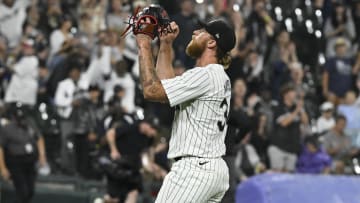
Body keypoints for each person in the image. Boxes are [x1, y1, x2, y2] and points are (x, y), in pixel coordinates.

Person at [135, 17, 235, 202]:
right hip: (212, 169)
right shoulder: (218, 76)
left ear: (212, 42)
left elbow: (151, 90)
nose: (195, 33)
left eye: (202, 31)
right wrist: (165, 45)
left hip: (195, 169)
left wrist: (144, 44)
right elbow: (167, 89)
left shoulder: (205, 75)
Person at [104, 116, 160, 203]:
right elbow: (110, 133)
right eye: (152, 128)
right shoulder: (131, 127)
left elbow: (148, 151)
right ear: (145, 124)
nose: (153, 132)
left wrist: (150, 164)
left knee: (133, 192)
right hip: (118, 165)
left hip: (133, 167)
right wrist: (113, 150)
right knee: (113, 198)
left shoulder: (149, 137)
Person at [0, 106, 47, 203]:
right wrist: (3, 167)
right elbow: (0, 148)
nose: (22, 120)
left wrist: (42, 156)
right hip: (15, 162)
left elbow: (39, 138)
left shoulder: (30, 124)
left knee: (30, 191)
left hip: (30, 161)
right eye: (19, 118)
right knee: (23, 191)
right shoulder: (7, 128)